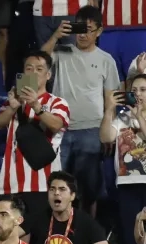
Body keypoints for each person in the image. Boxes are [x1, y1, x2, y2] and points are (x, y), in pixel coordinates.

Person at [42, 6, 120, 216]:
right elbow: (38, 62)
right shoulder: (60, 51)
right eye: (80, 28)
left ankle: (88, 238)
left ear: (100, 31)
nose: (83, 34)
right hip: (60, 130)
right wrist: (56, 35)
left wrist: (107, 132)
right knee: (58, 188)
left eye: (89, 29)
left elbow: (110, 100)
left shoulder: (106, 60)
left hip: (91, 130)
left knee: (89, 190)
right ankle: (59, 233)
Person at [0, 51, 70, 219]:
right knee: (10, 238)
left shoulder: (57, 102)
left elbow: (56, 124)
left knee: (39, 238)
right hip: (10, 183)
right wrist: (13, 107)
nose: (33, 73)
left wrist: (36, 105)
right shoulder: (12, 102)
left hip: (43, 185)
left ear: (48, 75)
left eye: (39, 69)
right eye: (29, 68)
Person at [100, 73, 146, 244]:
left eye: (143, 90)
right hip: (127, 184)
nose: (138, 94)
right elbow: (105, 137)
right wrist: (109, 109)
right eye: (134, 91)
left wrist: (139, 117)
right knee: (130, 234)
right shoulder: (122, 118)